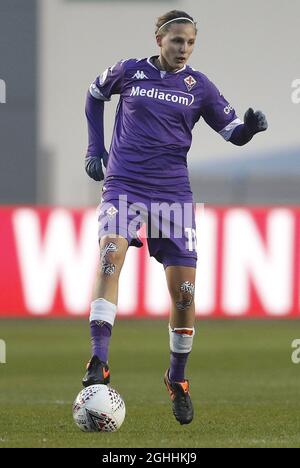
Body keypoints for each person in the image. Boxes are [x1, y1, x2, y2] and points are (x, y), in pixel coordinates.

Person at [82, 10, 268, 425]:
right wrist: (95, 150)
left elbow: (231, 130)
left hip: (172, 194)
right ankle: (99, 361)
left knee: (183, 294)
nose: (183, 49)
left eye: (190, 43)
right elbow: (93, 96)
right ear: (159, 39)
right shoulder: (128, 72)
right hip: (124, 185)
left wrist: (250, 130)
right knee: (109, 258)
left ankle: (177, 379)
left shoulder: (198, 86)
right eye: (176, 41)